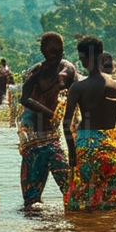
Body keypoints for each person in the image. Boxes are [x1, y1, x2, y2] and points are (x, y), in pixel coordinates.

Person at [62, 36, 116, 211]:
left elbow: (65, 124)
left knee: (84, 198)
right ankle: (106, 231)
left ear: (83, 58)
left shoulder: (78, 87)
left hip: (86, 146)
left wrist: (72, 154)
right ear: (101, 55)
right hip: (110, 147)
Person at [18, 32, 80, 207]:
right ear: (42, 50)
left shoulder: (67, 69)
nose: (55, 55)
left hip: (52, 139)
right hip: (31, 139)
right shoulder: (35, 72)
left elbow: (71, 84)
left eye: (58, 51)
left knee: (71, 192)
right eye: (51, 51)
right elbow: (24, 98)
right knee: (31, 201)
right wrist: (49, 113)